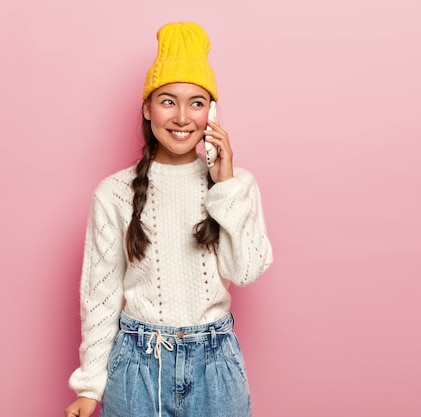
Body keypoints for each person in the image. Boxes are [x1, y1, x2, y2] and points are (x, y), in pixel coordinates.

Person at [64, 22, 273, 417]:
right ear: (147, 107)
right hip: (137, 367)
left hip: (216, 367)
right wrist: (90, 386)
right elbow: (100, 296)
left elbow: (245, 271)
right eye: (167, 101)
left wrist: (224, 184)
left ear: (212, 112)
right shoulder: (114, 193)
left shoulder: (237, 185)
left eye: (196, 103)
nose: (181, 117)